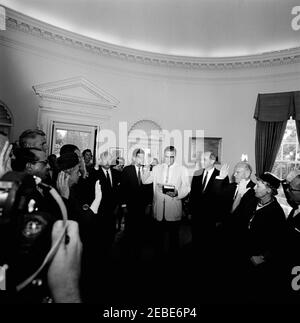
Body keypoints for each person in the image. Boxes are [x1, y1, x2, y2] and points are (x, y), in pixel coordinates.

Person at [244, 172, 287, 302]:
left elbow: (280, 242)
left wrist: (263, 257)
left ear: (269, 190)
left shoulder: (276, 213)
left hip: (257, 261)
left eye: (258, 186)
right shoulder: (252, 201)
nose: (254, 188)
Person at [142, 146, 190, 259]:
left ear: (175, 156)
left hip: (173, 209)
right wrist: (147, 166)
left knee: (174, 240)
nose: (168, 159)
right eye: (166, 157)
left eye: (171, 157)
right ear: (163, 156)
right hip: (158, 210)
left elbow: (187, 187)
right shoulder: (157, 168)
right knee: (158, 240)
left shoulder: (182, 169)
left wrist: (178, 193)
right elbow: (145, 181)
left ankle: (173, 260)